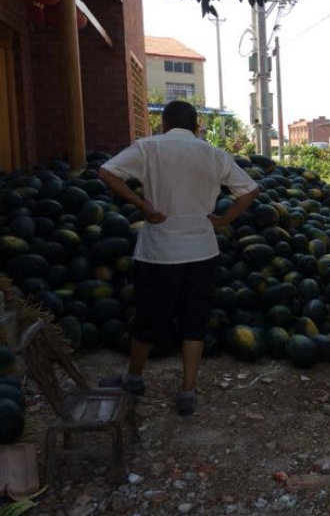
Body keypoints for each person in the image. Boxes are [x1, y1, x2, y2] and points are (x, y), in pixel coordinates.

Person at [98, 100, 259, 416]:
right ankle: (187, 391)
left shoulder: (149, 147)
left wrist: (143, 206)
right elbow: (250, 191)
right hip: (202, 250)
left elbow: (106, 172)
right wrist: (224, 220)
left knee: (148, 318)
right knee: (194, 321)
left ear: (163, 124)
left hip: (159, 251)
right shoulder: (213, 153)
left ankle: (134, 379)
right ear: (197, 127)